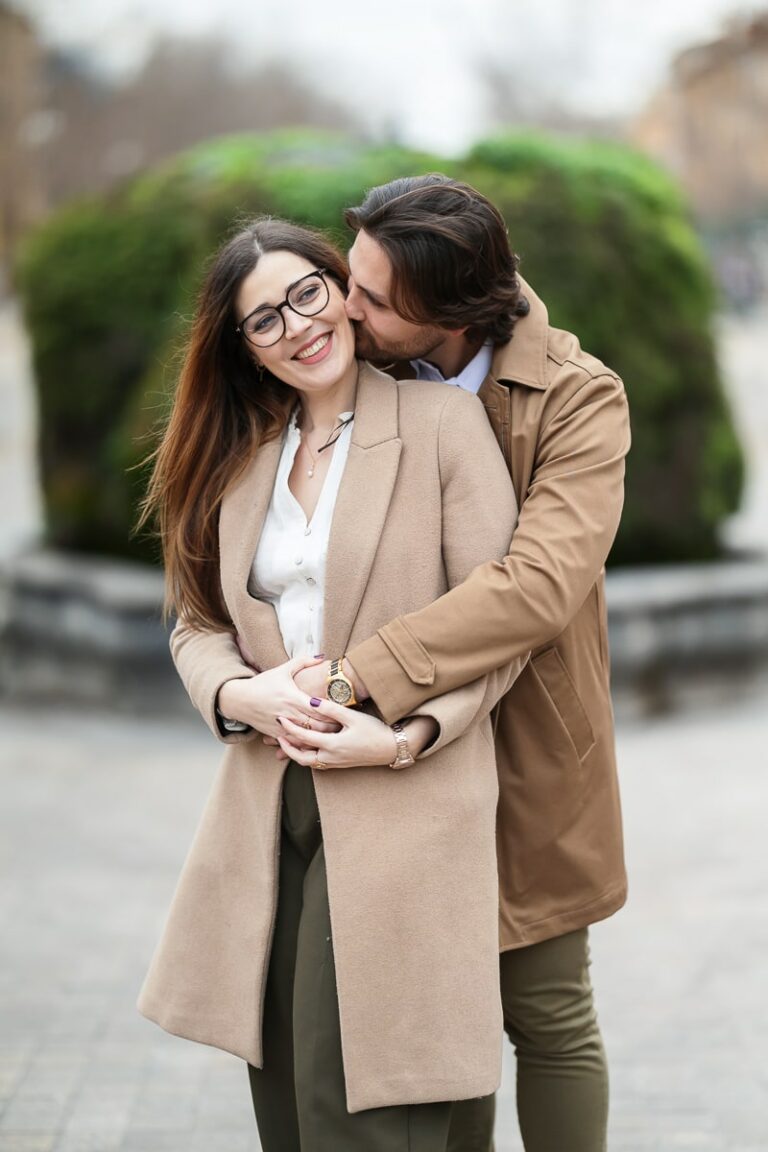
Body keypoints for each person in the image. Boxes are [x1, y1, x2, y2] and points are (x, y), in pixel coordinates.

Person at [135, 216, 528, 1152]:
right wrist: (240, 697)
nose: (297, 327)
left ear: (341, 291)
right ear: (242, 346)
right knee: (284, 1101)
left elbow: (499, 625)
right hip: (269, 807)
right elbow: (197, 624)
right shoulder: (236, 451)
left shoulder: (440, 425)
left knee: (355, 1106)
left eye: (307, 293)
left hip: (403, 798)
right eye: (262, 319)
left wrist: (403, 736)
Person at [287, 175, 631, 1152]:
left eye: (372, 298)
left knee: (544, 1006)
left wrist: (364, 670)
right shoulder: (360, 377)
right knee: (445, 1016)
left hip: (529, 746)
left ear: (447, 314)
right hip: (389, 743)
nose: (344, 308)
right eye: (350, 277)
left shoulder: (576, 396)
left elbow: (537, 587)